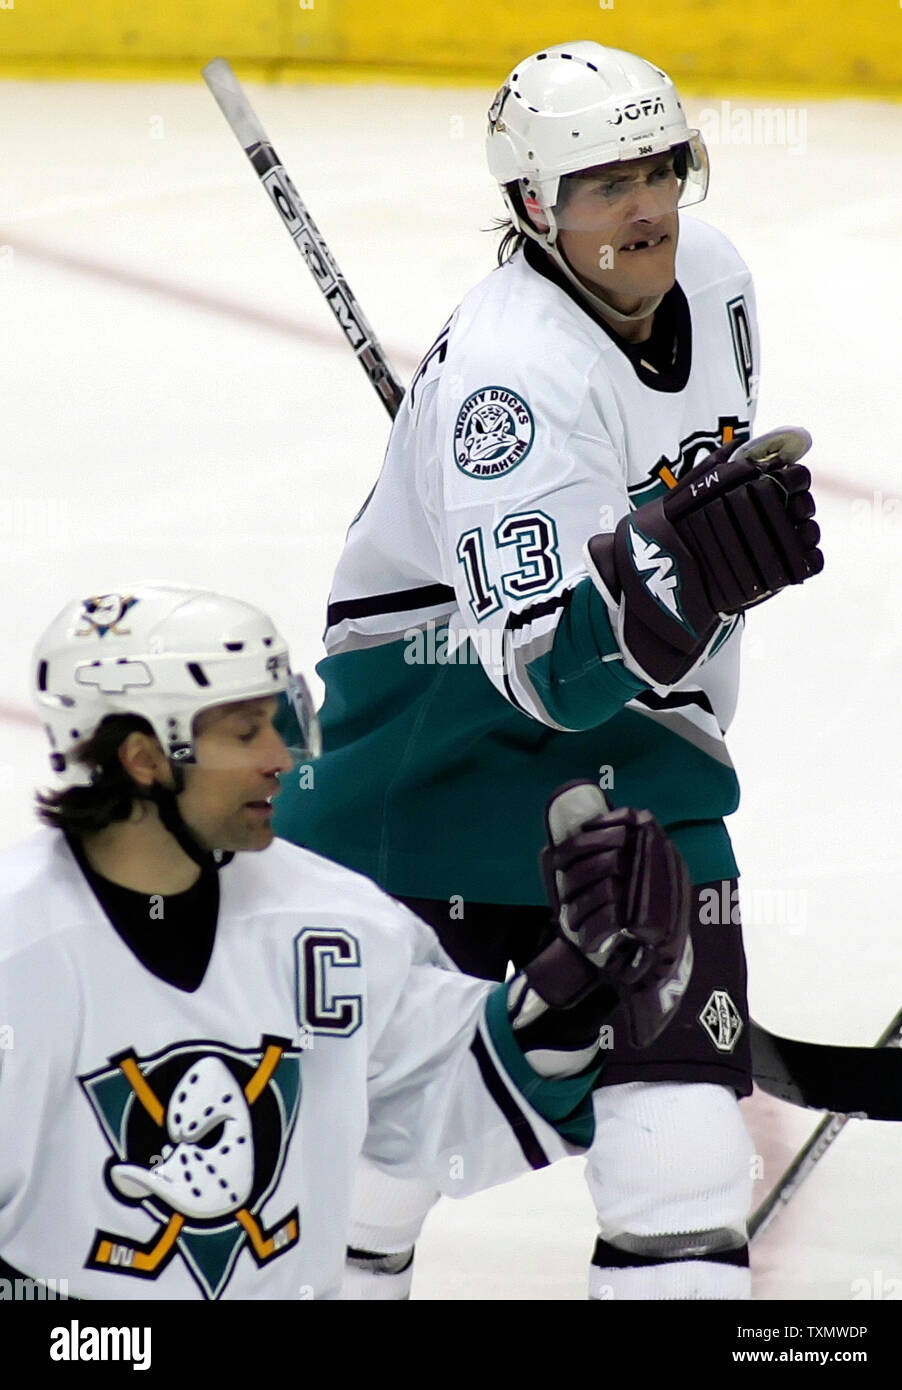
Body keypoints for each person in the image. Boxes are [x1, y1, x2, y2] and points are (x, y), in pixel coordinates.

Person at [273, 40, 824, 1300]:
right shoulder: (505, 380)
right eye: (599, 184)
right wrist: (682, 575)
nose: (642, 208)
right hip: (432, 772)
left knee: (682, 1169)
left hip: (651, 772)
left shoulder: (719, 278)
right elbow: (545, 678)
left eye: (658, 169)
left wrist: (677, 554)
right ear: (533, 206)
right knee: (367, 1183)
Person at [0, 582, 691, 1300]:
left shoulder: (334, 924)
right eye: (245, 732)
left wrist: (575, 983)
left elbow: (450, 1113)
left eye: (280, 720)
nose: (281, 757)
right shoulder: (19, 953)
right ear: (144, 758)